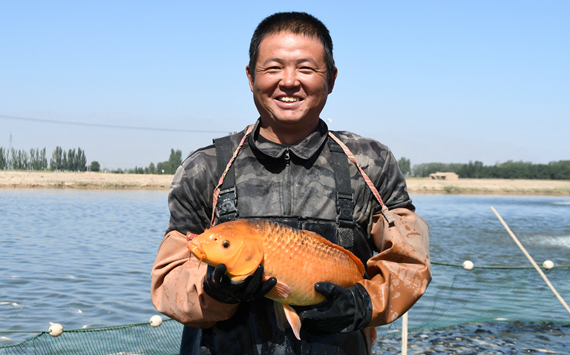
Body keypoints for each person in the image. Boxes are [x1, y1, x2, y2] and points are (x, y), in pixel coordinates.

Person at [151, 11, 431, 355]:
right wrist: (214, 291)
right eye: (273, 68)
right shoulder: (206, 167)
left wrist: (363, 303)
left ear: (331, 78)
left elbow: (409, 262)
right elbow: (168, 282)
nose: (289, 81)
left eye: (306, 68)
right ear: (250, 76)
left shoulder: (370, 162)